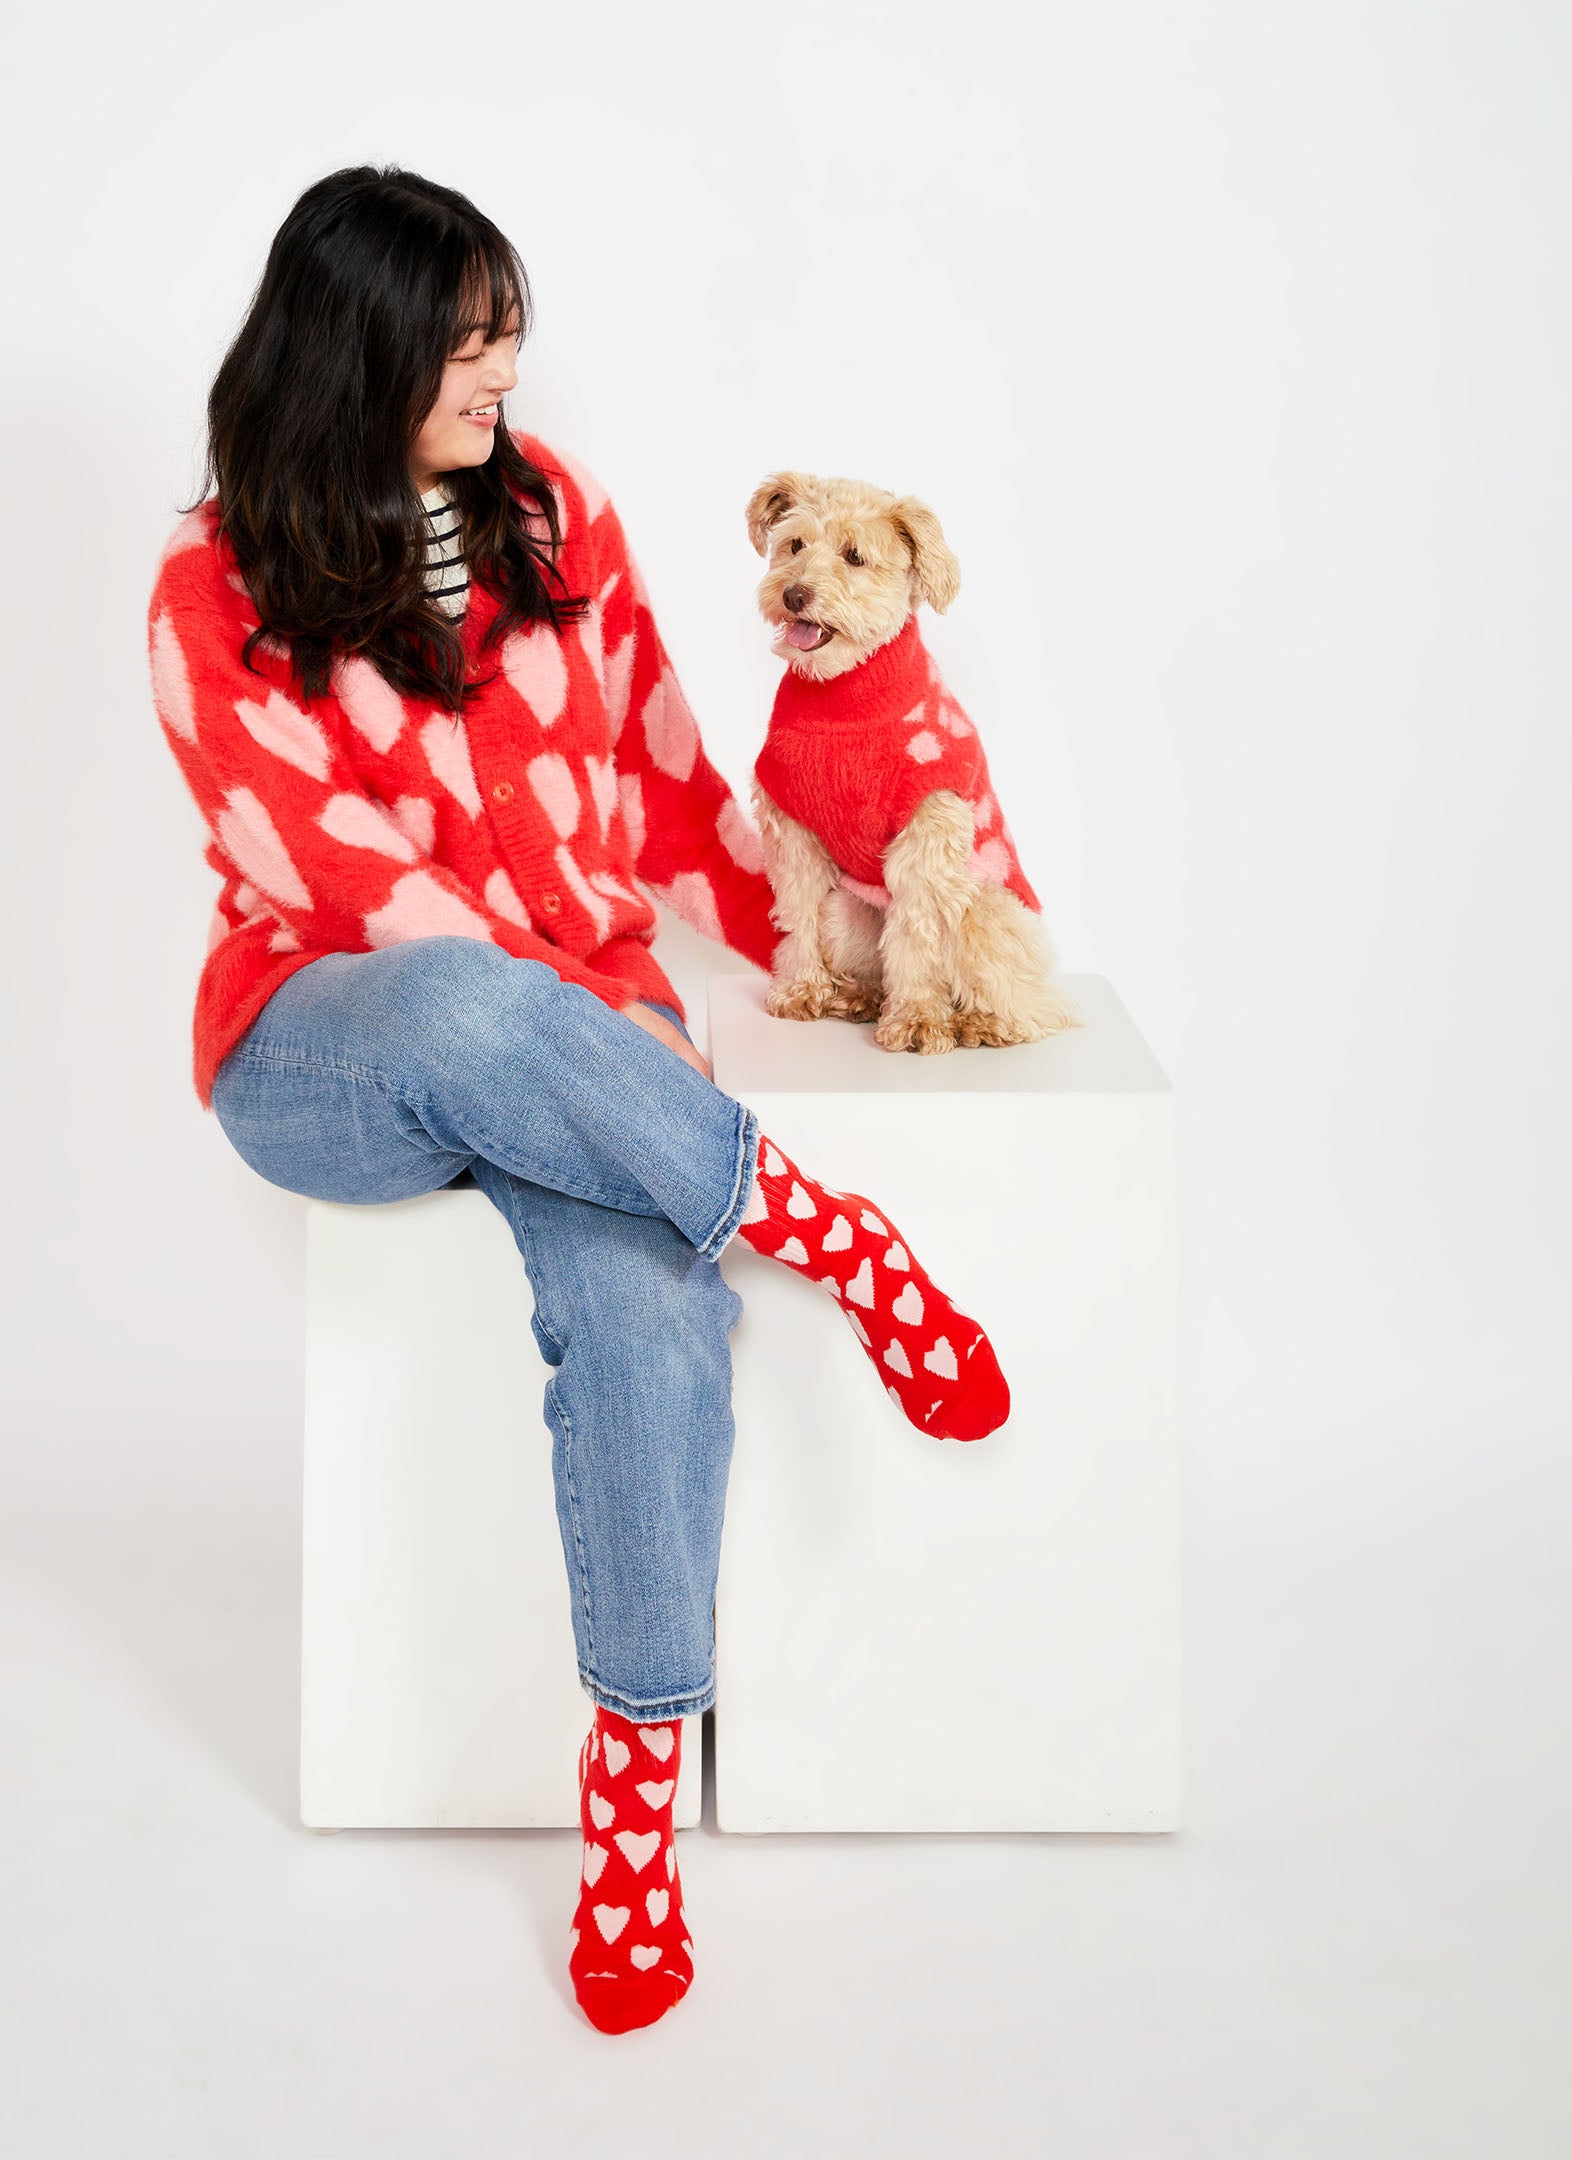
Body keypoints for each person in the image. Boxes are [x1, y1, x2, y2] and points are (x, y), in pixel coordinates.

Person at [145, 164, 1011, 2035]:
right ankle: (818, 1230)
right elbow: (330, 872)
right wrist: (597, 1036)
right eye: (467, 336)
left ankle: (630, 1800)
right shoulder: (212, 586)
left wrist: (906, 901)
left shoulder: (556, 516)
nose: (503, 364)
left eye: (505, 330)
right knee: (464, 992)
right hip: (328, 1038)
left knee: (643, 1300)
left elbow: (686, 781)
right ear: (356, 343)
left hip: (579, 1045)